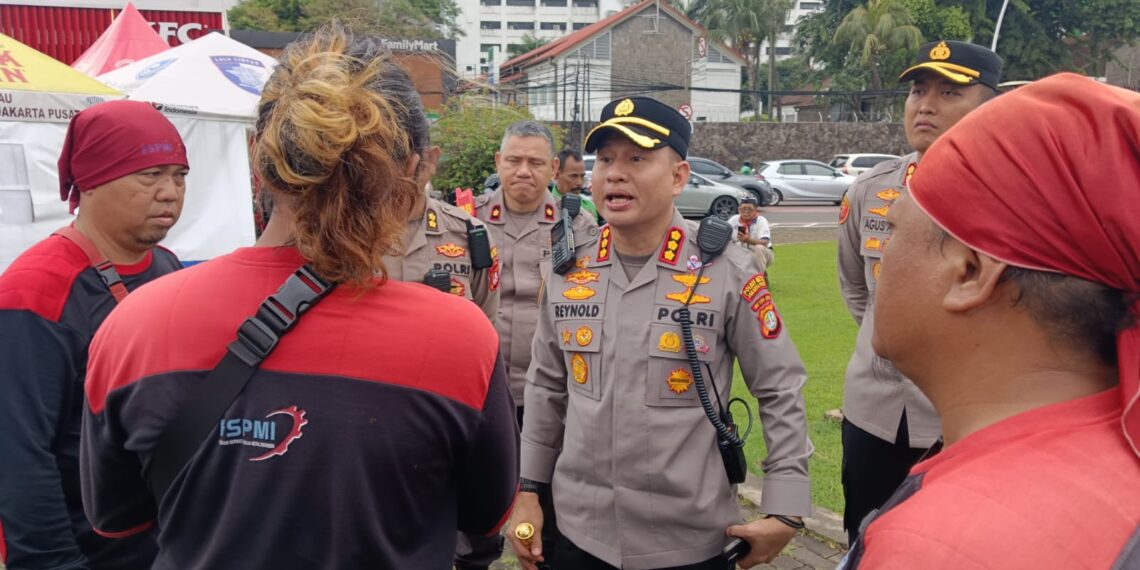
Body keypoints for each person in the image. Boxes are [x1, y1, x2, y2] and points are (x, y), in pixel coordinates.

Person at [79, 25, 519, 569]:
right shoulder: (460, 339)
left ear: (256, 159)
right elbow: (483, 515)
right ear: (410, 170)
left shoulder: (134, 326)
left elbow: (118, 517)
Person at [842, 73, 1140, 568]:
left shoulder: (941, 545)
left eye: (895, 234)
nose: (882, 259)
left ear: (970, 272)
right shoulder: (1111, 447)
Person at [507, 96, 812, 570]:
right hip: (579, 533)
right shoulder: (569, 269)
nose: (614, 173)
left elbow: (779, 387)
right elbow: (546, 385)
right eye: (605, 159)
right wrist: (528, 491)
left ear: (678, 177)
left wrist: (787, 506)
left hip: (690, 539)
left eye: (637, 159)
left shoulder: (727, 269)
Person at [0, 100, 187, 570]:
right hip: (84, 551)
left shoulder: (167, 268)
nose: (170, 193)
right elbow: (18, 452)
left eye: (179, 175)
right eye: (150, 175)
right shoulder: (35, 290)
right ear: (92, 181)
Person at [835, 39, 1002, 545]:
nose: (925, 104)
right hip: (875, 410)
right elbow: (857, 291)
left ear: (990, 107)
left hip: (967, 417)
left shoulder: (1013, 198)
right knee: (866, 538)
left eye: (949, 92)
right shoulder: (871, 189)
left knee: (959, 545)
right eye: (917, 91)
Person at [470, 120, 598, 569]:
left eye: (535, 162)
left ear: (552, 169)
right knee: (475, 512)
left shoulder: (577, 225)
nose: (523, 170)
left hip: (549, 396)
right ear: (498, 163)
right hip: (480, 393)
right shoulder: (466, 221)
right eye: (514, 160)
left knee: (549, 506)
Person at [383, 141, 501, 320]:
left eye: (402, 157)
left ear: (431, 159)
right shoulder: (343, 236)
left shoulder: (469, 233)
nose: (398, 170)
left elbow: (485, 321)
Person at [551, 148, 600, 223]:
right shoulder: (545, 206)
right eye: (573, 176)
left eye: (582, 176)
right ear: (556, 174)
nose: (579, 182)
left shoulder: (590, 205)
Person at [727, 196, 773, 273]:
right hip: (741, 253)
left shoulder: (761, 220)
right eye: (743, 209)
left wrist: (748, 240)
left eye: (749, 209)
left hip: (763, 255)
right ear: (739, 209)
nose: (746, 212)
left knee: (759, 248)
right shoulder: (734, 220)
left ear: (755, 210)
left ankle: (761, 276)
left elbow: (765, 242)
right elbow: (724, 236)